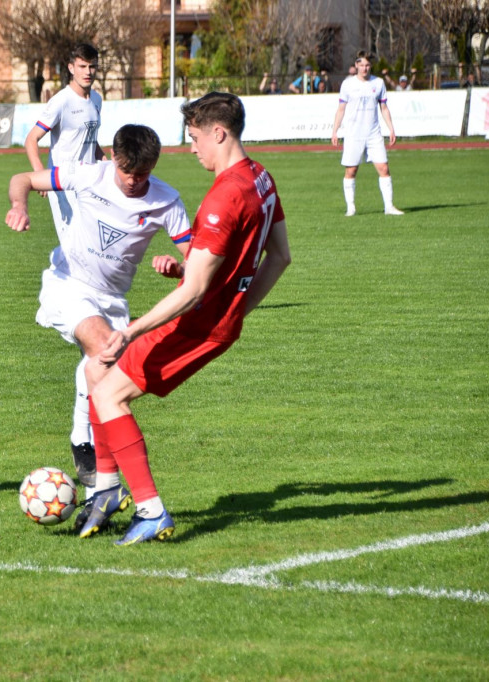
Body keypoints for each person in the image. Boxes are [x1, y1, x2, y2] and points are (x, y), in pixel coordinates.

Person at [78, 92, 291, 545]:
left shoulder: (223, 196)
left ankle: (148, 508)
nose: (192, 148)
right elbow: (280, 257)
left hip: (197, 323)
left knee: (107, 392)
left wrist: (131, 329)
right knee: (97, 372)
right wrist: (229, 302)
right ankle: (108, 489)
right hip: (218, 322)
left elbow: (194, 292)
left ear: (219, 132)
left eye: (194, 138)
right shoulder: (262, 179)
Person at [7, 124, 192, 525]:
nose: (134, 180)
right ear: (112, 156)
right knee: (101, 349)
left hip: (113, 302)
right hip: (68, 283)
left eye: (143, 173)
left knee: (101, 371)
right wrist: (19, 206)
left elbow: (195, 260)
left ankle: (99, 491)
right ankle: (84, 446)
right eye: (128, 171)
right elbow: (21, 178)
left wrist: (178, 266)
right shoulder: (88, 174)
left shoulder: (166, 201)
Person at [23, 43, 108, 497]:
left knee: (92, 257)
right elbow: (31, 140)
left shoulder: (96, 99)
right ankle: (70, 300)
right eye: (81, 66)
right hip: (63, 190)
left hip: (90, 187)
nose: (88, 72)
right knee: (79, 258)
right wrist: (41, 179)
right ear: (69, 69)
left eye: (93, 66)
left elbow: (92, 144)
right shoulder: (60, 100)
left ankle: (84, 314)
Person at [331, 51, 403, 216]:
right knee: (351, 171)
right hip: (353, 134)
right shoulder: (347, 84)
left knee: (384, 168)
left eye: (367, 65)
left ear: (371, 66)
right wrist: (335, 131)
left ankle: (389, 206)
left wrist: (391, 128)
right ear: (356, 65)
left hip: (374, 134)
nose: (364, 68)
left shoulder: (378, 83)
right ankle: (351, 207)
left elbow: (383, 108)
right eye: (361, 65)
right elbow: (341, 109)